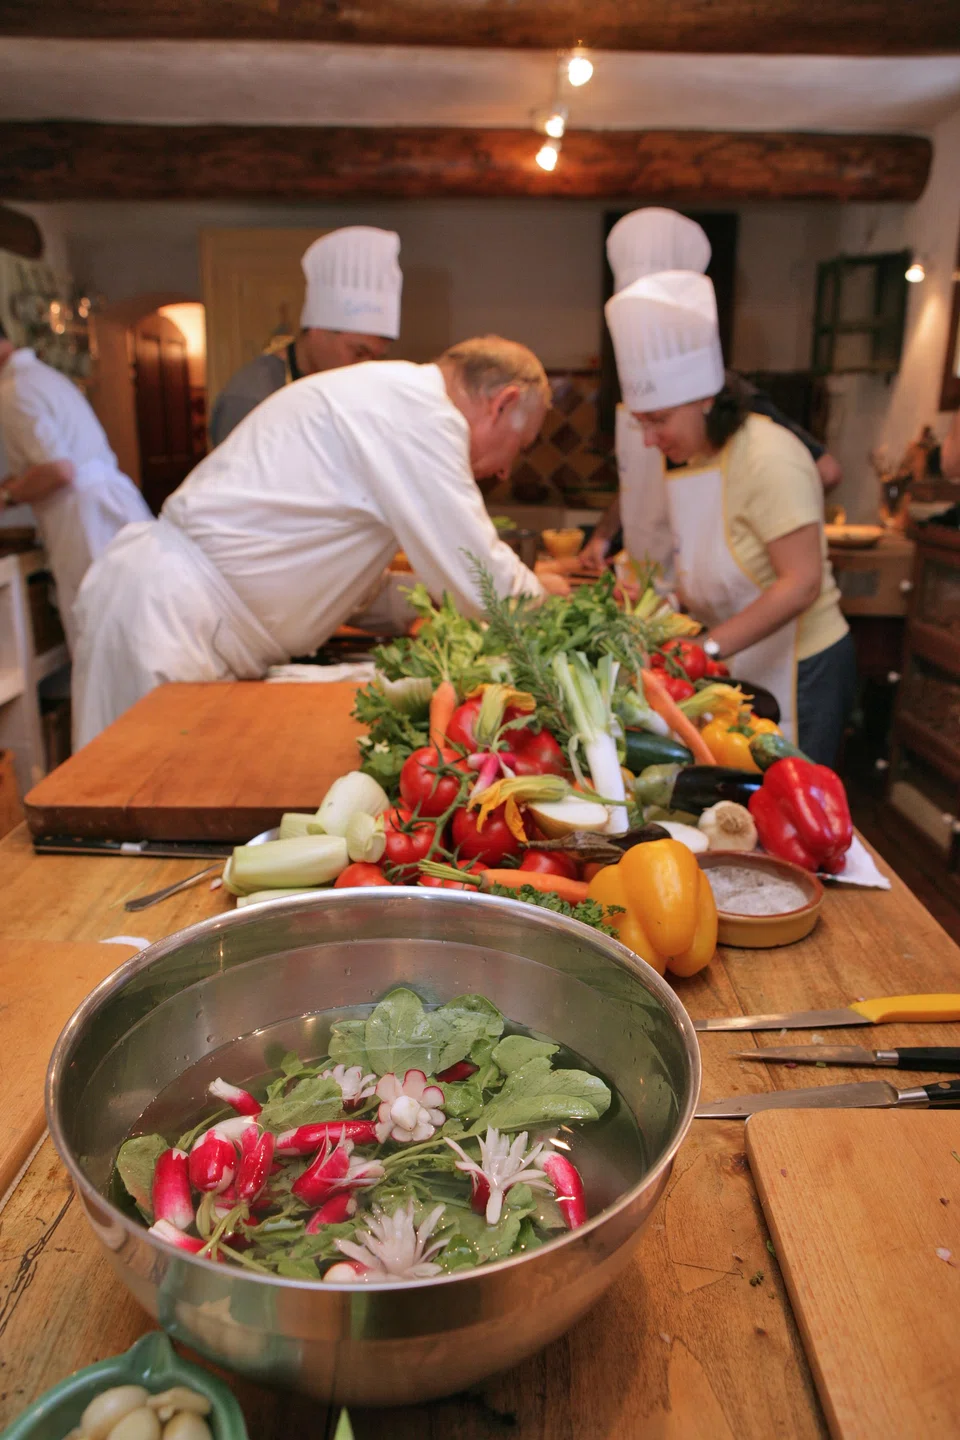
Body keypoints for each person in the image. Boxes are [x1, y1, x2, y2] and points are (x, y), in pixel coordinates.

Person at [72, 336, 570, 747]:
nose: (505, 470)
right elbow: (480, 576)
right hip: (168, 621)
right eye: (518, 448)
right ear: (502, 402)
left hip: (174, 612)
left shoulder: (393, 398)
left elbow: (354, 582)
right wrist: (549, 606)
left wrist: (418, 604)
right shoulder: (422, 415)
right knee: (122, 819)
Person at [605, 271, 855, 765]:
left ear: (705, 397)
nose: (650, 439)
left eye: (658, 420)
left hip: (802, 666)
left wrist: (705, 648)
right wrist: (668, 604)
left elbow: (800, 582)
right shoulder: (695, 457)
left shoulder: (769, 455)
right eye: (642, 423)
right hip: (740, 657)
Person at [580, 208, 844, 575]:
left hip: (706, 586)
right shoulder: (639, 400)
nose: (649, 435)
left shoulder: (731, 400)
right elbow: (640, 487)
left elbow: (825, 470)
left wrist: (767, 533)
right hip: (647, 584)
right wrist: (603, 536)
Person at [0, 323, 151, 651]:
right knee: (132, 626)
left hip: (84, 520)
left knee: (100, 635)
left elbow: (59, 470)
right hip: (109, 504)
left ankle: (117, 704)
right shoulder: (45, 376)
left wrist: (9, 496)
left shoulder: (13, 391)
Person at [209, 227, 403, 447]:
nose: (364, 368)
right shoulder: (249, 399)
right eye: (359, 352)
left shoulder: (347, 390)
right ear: (318, 331)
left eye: (376, 357)